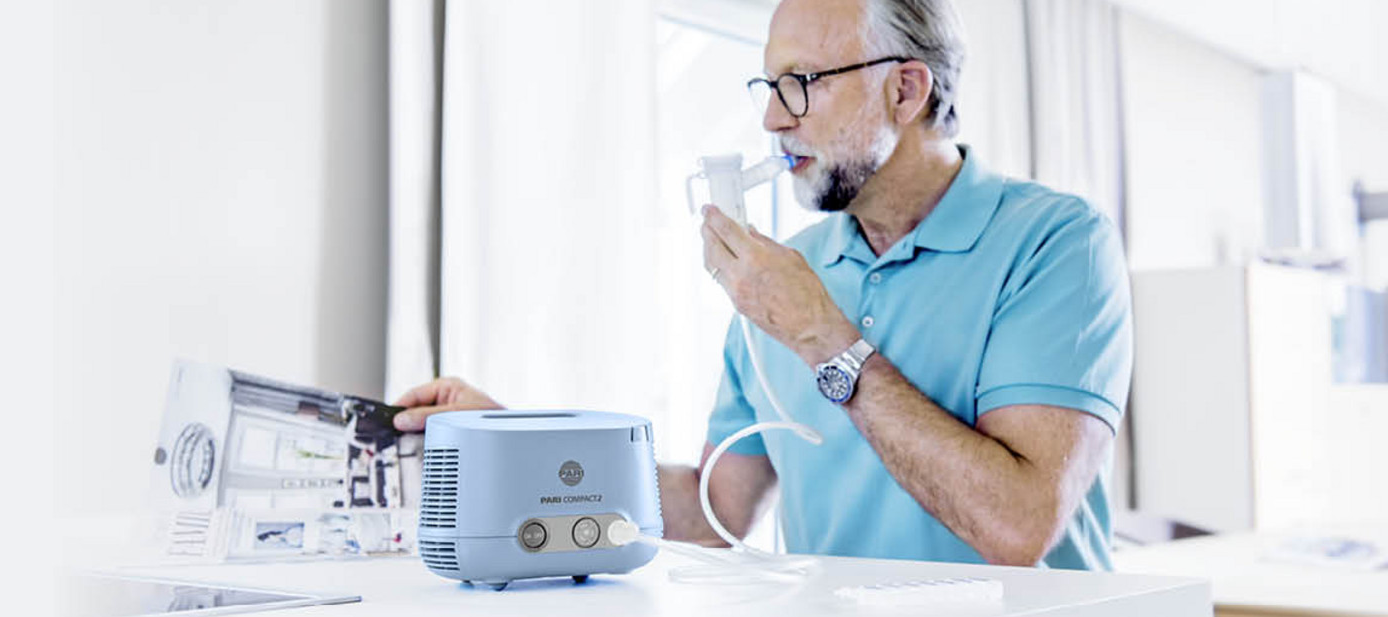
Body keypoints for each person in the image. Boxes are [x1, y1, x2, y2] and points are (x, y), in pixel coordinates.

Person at [392, 0, 1131, 570]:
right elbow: (715, 510)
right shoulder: (789, 274)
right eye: (770, 85)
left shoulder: (1057, 244)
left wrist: (820, 335)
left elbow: (1019, 525)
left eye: (802, 84)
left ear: (906, 91)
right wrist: (510, 438)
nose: (774, 118)